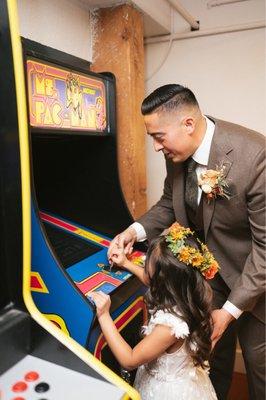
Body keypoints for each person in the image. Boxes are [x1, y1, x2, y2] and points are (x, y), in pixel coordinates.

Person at [108, 84, 265, 400]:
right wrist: (133, 232)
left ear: (188, 124)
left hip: (256, 283)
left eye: (158, 137)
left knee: (257, 364)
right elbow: (170, 201)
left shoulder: (256, 156)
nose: (156, 147)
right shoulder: (176, 154)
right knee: (210, 360)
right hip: (209, 280)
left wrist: (230, 311)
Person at [90, 223, 218, 400]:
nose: (144, 268)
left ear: (164, 282)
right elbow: (152, 280)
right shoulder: (188, 294)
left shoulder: (170, 327)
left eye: (147, 266)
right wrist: (126, 263)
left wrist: (104, 315)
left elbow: (129, 359)